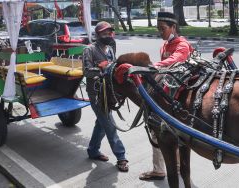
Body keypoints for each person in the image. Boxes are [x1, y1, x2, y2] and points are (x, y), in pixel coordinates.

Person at [139, 12, 193, 180]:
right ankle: (167, 167)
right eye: (158, 29)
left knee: (162, 134)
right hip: (167, 94)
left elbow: (176, 60)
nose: (160, 32)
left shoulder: (182, 45)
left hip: (181, 97)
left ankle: (165, 168)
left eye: (163, 29)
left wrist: (154, 66)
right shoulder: (164, 46)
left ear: (173, 27)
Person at [82, 21, 129, 172]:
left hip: (108, 92)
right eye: (104, 33)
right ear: (97, 35)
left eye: (109, 33)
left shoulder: (110, 49)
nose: (108, 35)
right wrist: (103, 69)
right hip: (96, 94)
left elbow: (114, 68)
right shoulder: (89, 50)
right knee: (109, 124)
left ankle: (93, 151)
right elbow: (86, 71)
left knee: (101, 123)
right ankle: (121, 157)